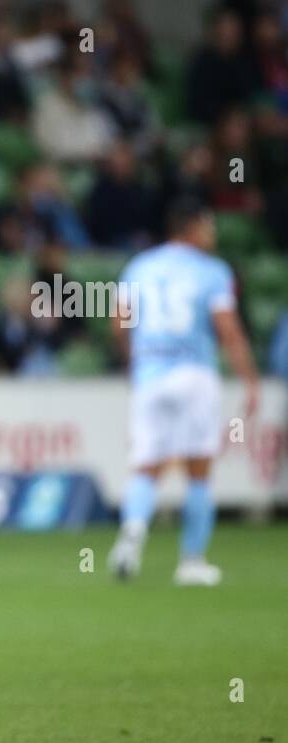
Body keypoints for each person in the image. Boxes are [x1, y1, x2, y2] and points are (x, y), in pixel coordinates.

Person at [108, 197, 260, 586]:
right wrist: (250, 378)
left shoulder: (139, 266)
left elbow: (119, 321)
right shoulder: (212, 271)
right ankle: (191, 562)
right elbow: (226, 328)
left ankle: (131, 537)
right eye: (208, 226)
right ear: (192, 228)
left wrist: (133, 362)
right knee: (199, 471)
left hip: (151, 373)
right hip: (194, 374)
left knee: (145, 466)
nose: (212, 233)